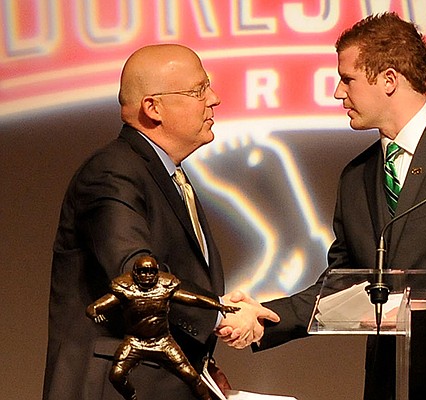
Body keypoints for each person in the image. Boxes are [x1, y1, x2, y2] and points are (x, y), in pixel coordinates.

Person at [218, 12, 426, 400]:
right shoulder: (356, 175)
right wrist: (266, 318)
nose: (339, 93)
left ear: (389, 80)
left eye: (348, 79)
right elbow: (344, 280)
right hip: (388, 383)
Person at [43, 44, 279, 400]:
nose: (213, 99)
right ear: (153, 107)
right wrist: (222, 315)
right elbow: (139, 279)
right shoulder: (113, 172)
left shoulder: (167, 175)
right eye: (198, 90)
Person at [86, 255, 240, 400]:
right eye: (143, 272)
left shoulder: (164, 287)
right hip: (135, 341)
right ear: (135, 273)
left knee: (191, 376)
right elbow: (96, 307)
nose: (147, 276)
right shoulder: (126, 289)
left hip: (162, 341)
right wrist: (95, 313)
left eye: (151, 272)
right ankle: (132, 396)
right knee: (117, 375)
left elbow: (193, 299)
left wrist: (219, 306)